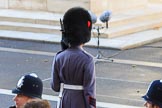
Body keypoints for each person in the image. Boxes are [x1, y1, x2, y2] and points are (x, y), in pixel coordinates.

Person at [51, 7, 96, 108]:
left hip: (64, 100)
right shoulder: (87, 59)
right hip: (80, 102)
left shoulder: (59, 57)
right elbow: (89, 91)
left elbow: (55, 86)